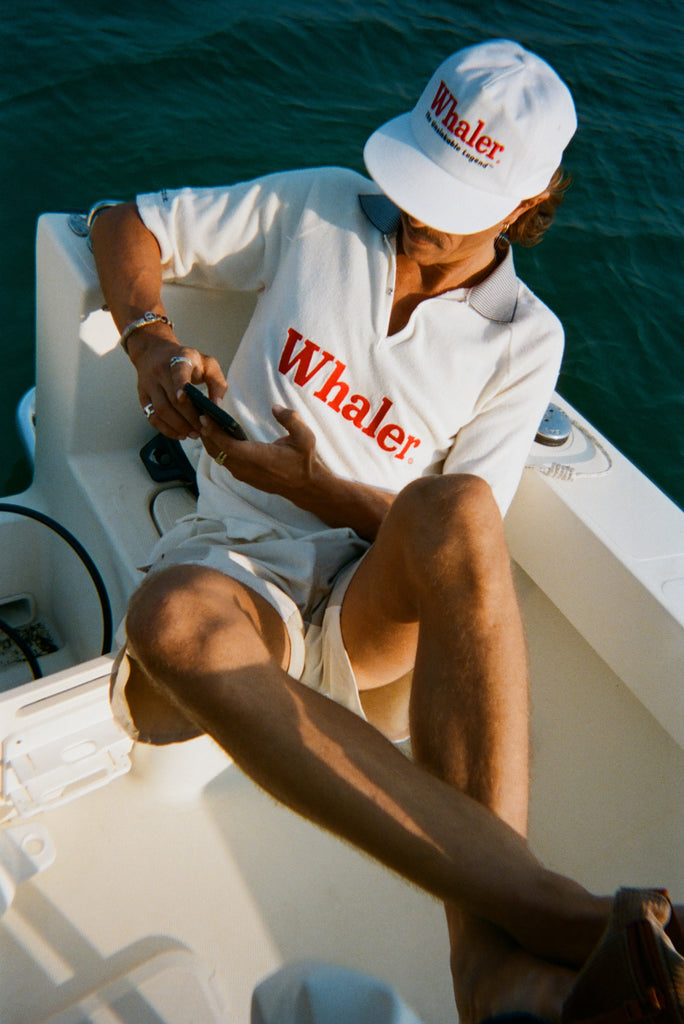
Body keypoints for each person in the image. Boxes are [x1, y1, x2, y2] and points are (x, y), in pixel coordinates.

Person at [90, 39, 683, 1022]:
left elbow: (458, 543)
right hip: (239, 564)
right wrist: (150, 339)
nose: (417, 214)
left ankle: (516, 935)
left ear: (525, 206)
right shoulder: (316, 207)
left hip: (371, 608)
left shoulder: (525, 340)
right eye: (419, 179)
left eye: (451, 203)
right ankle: (529, 944)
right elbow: (124, 223)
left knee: (455, 508)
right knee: (172, 617)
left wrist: (319, 486)